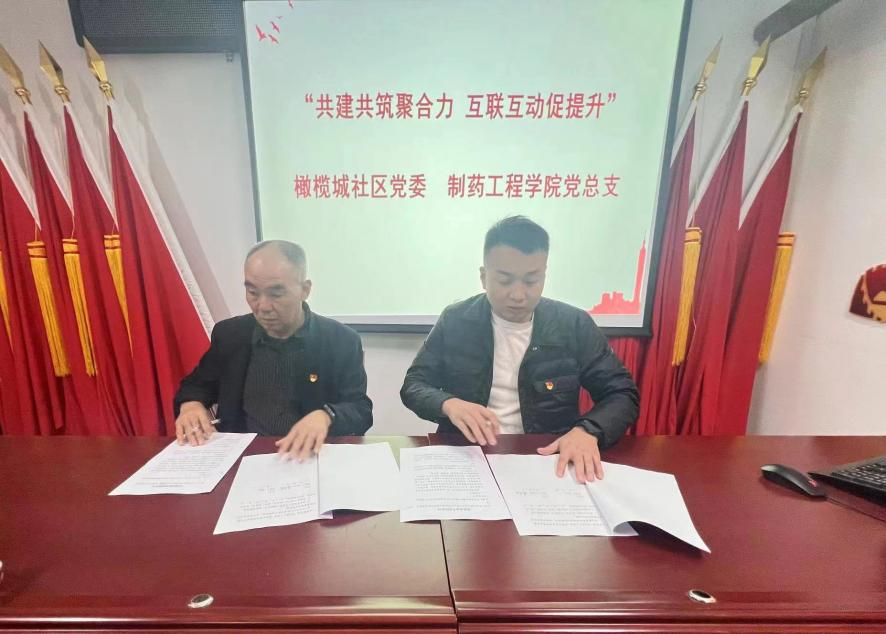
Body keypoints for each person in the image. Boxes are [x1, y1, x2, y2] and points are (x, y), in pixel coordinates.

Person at [401, 216, 638, 483]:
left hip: (547, 456)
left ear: (544, 275)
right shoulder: (456, 320)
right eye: (505, 281)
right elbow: (414, 385)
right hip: (467, 455)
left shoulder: (573, 324)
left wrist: (588, 431)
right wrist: (448, 404)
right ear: (484, 277)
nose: (518, 295)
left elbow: (621, 393)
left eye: (531, 281)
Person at [174, 240, 372, 460]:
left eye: (276, 294)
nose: (263, 306)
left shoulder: (340, 340)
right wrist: (190, 405)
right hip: (243, 458)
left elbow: (360, 409)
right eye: (252, 292)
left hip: (308, 457)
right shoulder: (230, 335)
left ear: (305, 290)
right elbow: (196, 385)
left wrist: (326, 416)